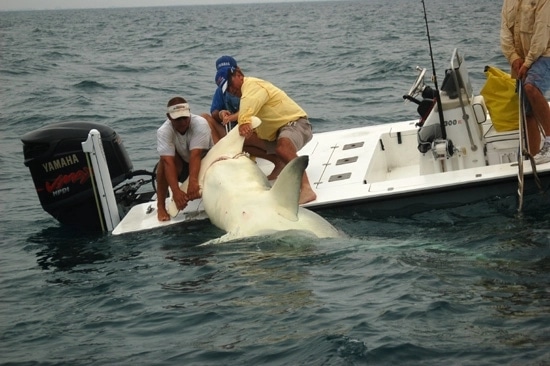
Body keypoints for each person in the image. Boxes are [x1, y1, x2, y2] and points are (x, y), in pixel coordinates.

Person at [226, 67, 317, 204]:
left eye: (230, 84)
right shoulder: (246, 92)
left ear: (239, 75)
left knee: (283, 148)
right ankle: (279, 162)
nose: (230, 90)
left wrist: (244, 122)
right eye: (226, 89)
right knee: (242, 142)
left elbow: (249, 102)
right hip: (276, 133)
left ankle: (306, 188)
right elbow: (247, 106)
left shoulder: (253, 86)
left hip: (297, 124)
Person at [500, 0, 550, 164]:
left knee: (531, 87)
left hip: (545, 53)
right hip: (521, 60)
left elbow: (541, 34)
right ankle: (534, 157)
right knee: (527, 111)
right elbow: (505, 33)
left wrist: (527, 63)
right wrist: (514, 58)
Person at [156, 96, 213, 221]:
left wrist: (193, 182)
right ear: (169, 117)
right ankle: (160, 206)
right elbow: (168, 162)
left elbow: (196, 155)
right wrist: (176, 191)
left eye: (185, 118)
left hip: (206, 163)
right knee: (162, 163)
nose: (182, 122)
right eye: (178, 119)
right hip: (184, 166)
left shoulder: (200, 123)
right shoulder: (163, 131)